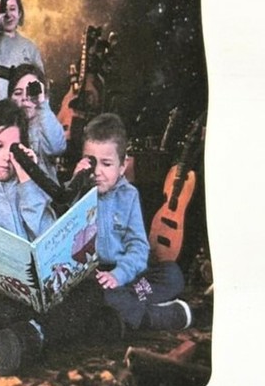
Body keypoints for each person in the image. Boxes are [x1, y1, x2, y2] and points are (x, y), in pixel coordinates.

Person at [0, 100, 112, 376]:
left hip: (47, 294)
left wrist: (28, 180)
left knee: (92, 292)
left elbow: (47, 237)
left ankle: (29, 336)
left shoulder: (33, 186)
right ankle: (51, 331)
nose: (6, 157)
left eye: (13, 149)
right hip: (3, 297)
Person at [73, 113, 191, 332]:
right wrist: (75, 186)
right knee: (96, 296)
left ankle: (126, 307)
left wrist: (119, 275)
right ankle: (151, 317)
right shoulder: (77, 193)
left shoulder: (129, 195)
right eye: (91, 162)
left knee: (172, 274)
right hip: (94, 279)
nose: (97, 172)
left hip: (126, 276)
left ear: (122, 166)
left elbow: (138, 246)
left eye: (107, 164)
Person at [6, 64, 66, 180]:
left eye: (31, 92)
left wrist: (42, 104)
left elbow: (57, 147)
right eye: (18, 93)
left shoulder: (44, 127)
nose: (25, 98)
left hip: (44, 190)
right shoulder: (5, 129)